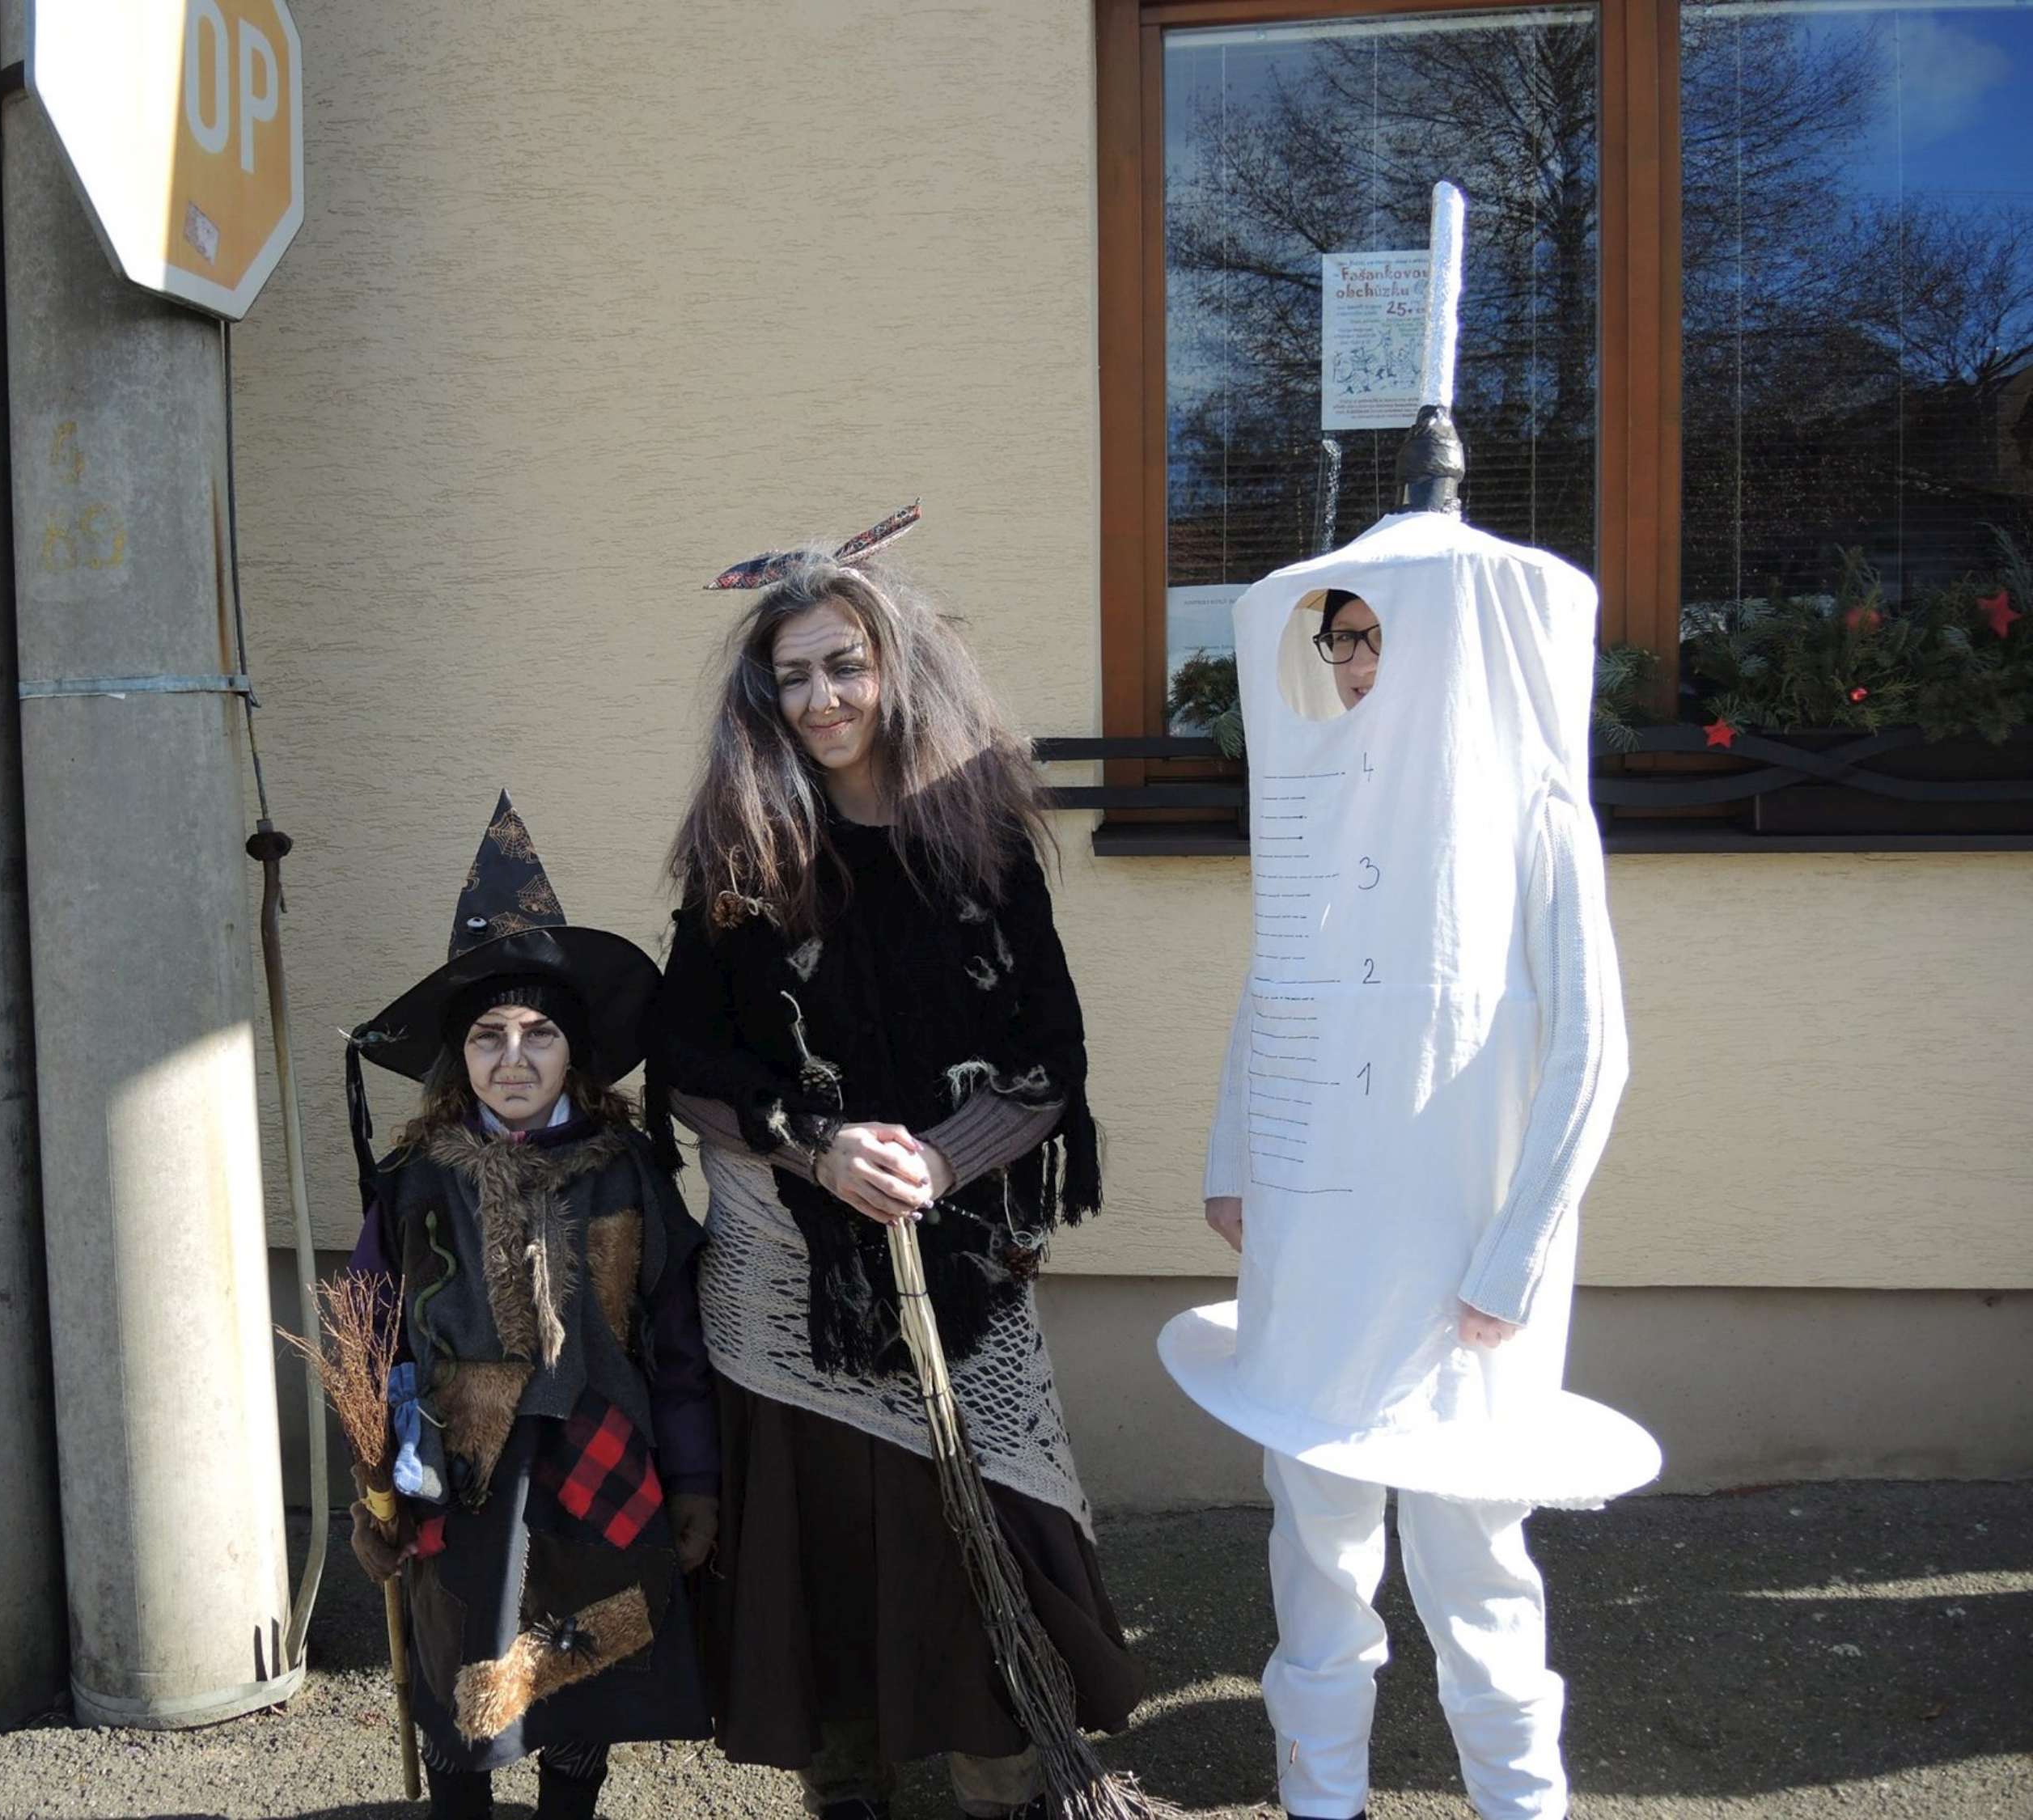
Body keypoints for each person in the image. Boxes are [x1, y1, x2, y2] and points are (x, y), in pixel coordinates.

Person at [1162, 505, 1659, 1820]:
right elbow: (1279, 991)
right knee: (1317, 1544)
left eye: (1379, 639)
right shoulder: (1328, 813)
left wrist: (1518, 1253)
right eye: (1341, 643)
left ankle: (1519, 1802)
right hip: (1317, 1248)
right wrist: (1237, 1158)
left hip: (1457, 1265)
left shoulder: (1532, 812)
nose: (1355, 667)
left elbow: (1593, 1052)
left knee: (1474, 1555)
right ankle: (1321, 1798)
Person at [649, 504, 1141, 1820]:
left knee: (979, 1521)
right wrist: (815, 1149)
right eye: (793, 675)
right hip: (788, 1266)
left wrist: (935, 1160)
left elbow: (1049, 1053)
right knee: (818, 1535)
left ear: (895, 667)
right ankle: (846, 1781)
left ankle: (1003, 1773)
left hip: (957, 1254)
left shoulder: (981, 842)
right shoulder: (740, 855)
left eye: (844, 666)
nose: (821, 698)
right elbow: (686, 1058)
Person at [341, 793, 720, 1820]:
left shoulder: (628, 1172)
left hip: (601, 1458)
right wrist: (373, 1482)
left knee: (584, 1659)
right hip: (462, 1476)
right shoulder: (414, 1184)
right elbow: (367, 1335)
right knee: (465, 1663)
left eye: (540, 1033)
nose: (514, 1058)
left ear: (573, 1053)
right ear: (457, 1058)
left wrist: (694, 1478)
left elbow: (676, 1338)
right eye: (489, 1037)